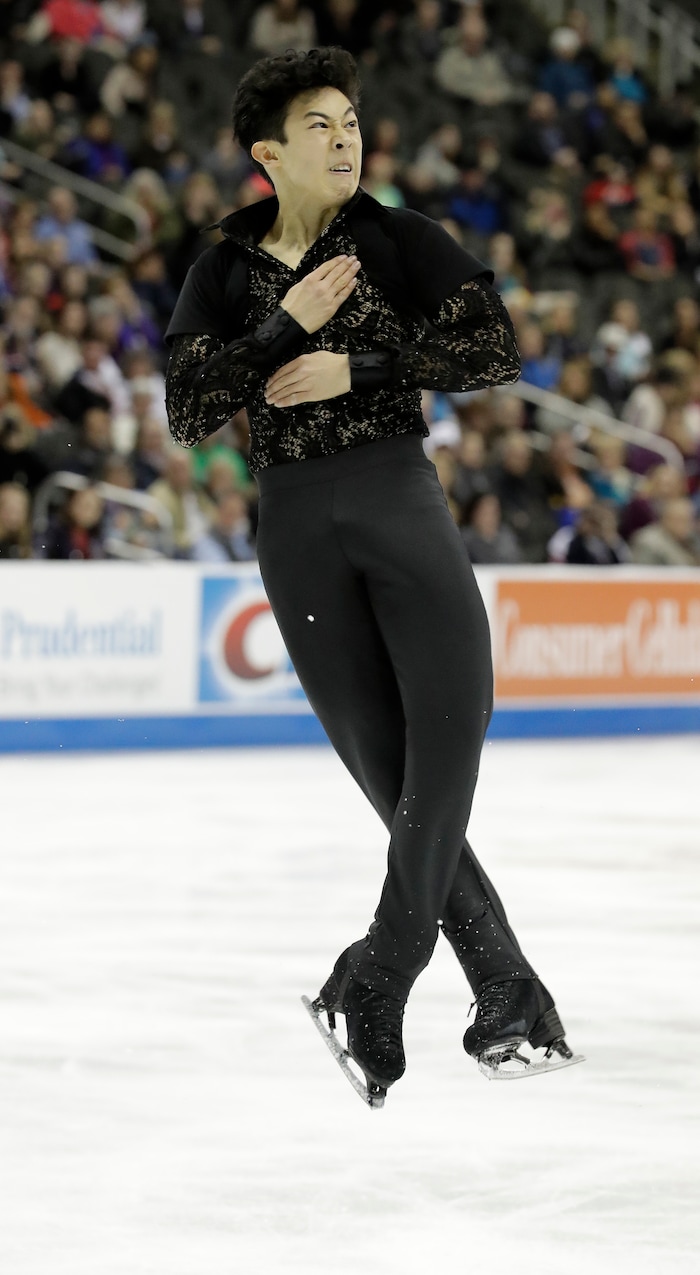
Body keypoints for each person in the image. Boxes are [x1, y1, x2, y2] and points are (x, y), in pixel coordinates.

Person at [164, 47, 577, 1102]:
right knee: (387, 771)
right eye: (319, 125)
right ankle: (508, 996)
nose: (345, 137)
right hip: (295, 522)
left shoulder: (398, 241)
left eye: (351, 120)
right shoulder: (220, 266)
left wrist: (369, 364)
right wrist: (281, 328)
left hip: (397, 496)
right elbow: (189, 409)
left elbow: (493, 348)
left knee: (453, 730)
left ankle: (379, 974)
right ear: (269, 153)